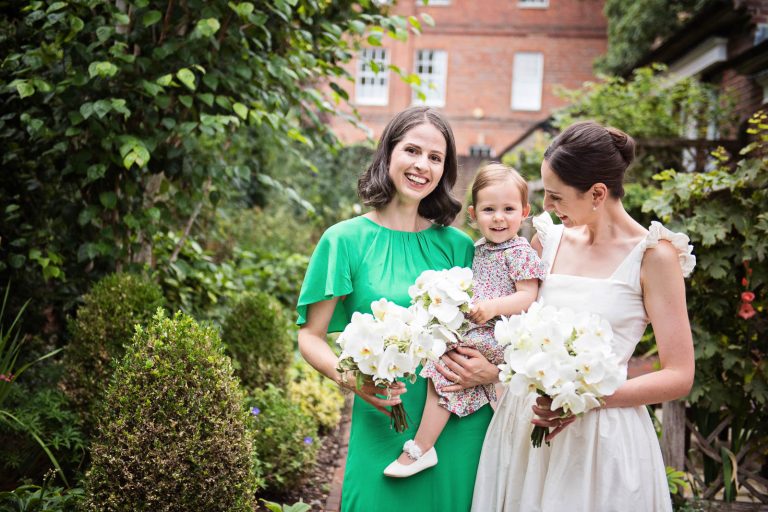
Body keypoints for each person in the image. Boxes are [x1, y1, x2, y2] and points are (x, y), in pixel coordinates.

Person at [471, 121, 696, 511]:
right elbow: (515, 329)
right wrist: (494, 370)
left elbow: (679, 374)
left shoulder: (653, 257)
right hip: (526, 429)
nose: (545, 207)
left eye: (556, 197)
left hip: (601, 442)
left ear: (597, 194)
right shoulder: (546, 241)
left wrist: (585, 399)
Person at [296, 106, 497, 511]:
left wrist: (491, 371)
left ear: (445, 169)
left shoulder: (459, 246)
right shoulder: (343, 241)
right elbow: (309, 337)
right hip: (385, 417)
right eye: (412, 150)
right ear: (388, 153)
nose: (422, 165)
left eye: (435, 158)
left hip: (459, 421)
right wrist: (356, 383)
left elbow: (495, 329)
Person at [383, 163, 546, 478]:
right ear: (473, 213)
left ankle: (421, 447)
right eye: (489, 209)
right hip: (480, 328)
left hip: (500, 332)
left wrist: (491, 307)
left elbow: (528, 296)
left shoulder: (520, 251)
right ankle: (426, 442)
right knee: (442, 362)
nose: (498, 217)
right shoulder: (479, 249)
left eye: (508, 209)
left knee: (446, 363)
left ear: (524, 211)